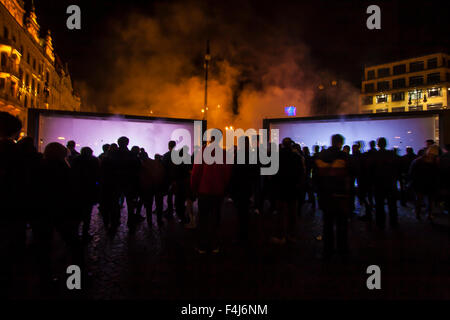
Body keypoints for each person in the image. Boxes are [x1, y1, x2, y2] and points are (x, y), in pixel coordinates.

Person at [191, 133, 232, 254]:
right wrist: (224, 188)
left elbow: (196, 172)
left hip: (204, 190)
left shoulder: (203, 151)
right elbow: (227, 173)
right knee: (215, 218)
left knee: (203, 218)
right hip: (218, 191)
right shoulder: (224, 153)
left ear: (210, 139)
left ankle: (202, 246)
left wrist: (194, 188)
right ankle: (214, 245)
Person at [315, 134, 352, 259]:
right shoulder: (345, 157)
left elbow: (315, 177)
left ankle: (328, 249)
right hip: (341, 195)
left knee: (327, 224)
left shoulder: (321, 156)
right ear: (340, 143)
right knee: (342, 224)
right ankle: (342, 249)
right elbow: (351, 176)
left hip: (326, 196)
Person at [270, 138, 304, 244]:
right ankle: (291, 234)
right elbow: (301, 173)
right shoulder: (296, 157)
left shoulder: (277, 156)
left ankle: (281, 236)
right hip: (293, 188)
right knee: (292, 213)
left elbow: (272, 173)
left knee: (281, 213)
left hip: (280, 188)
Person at [71, 146, 100, 240]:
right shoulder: (94, 161)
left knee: (77, 213)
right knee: (87, 213)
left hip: (77, 190)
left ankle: (75, 232)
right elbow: (97, 175)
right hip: (89, 190)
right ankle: (85, 232)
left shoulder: (76, 160)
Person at [371, 137, 399, 229]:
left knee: (379, 204)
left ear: (378, 144)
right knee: (392, 205)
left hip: (378, 183)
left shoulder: (374, 155)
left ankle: (380, 222)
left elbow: (370, 170)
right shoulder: (392, 154)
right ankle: (393, 222)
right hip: (390, 183)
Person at [409, 145, 440, 220]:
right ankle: (427, 214)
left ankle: (418, 214)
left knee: (420, 200)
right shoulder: (434, 162)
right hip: (428, 184)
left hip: (420, 184)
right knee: (428, 200)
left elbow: (411, 173)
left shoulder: (418, 161)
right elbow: (436, 174)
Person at [162, 141, 177, 219]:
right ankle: (176, 210)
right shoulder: (179, 155)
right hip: (177, 178)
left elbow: (163, 167)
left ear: (169, 146)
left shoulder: (166, 155)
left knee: (169, 196)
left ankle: (170, 211)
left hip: (168, 179)